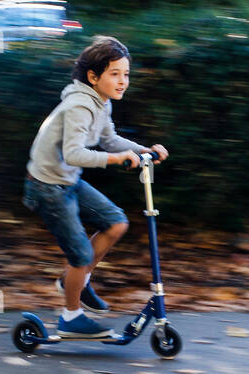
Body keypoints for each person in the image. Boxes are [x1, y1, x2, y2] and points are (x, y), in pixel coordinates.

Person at [22, 35, 169, 338]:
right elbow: (75, 153)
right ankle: (71, 317)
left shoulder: (100, 103)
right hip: (47, 186)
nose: (122, 81)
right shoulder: (79, 106)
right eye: (114, 74)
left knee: (115, 223)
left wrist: (144, 151)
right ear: (93, 76)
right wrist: (116, 160)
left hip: (68, 180)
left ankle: (76, 282)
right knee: (79, 255)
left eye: (126, 74)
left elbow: (109, 139)